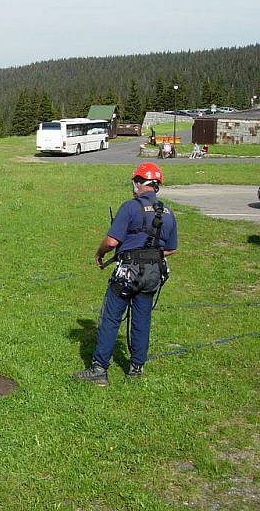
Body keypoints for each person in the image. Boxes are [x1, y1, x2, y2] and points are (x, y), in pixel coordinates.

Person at [74, 162, 178, 386]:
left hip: (127, 272)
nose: (134, 187)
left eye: (135, 182)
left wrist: (100, 253)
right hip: (153, 273)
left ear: (140, 183)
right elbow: (171, 248)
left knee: (111, 317)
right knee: (142, 318)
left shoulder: (130, 208)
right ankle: (137, 367)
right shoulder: (168, 212)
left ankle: (99, 369)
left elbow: (112, 241)